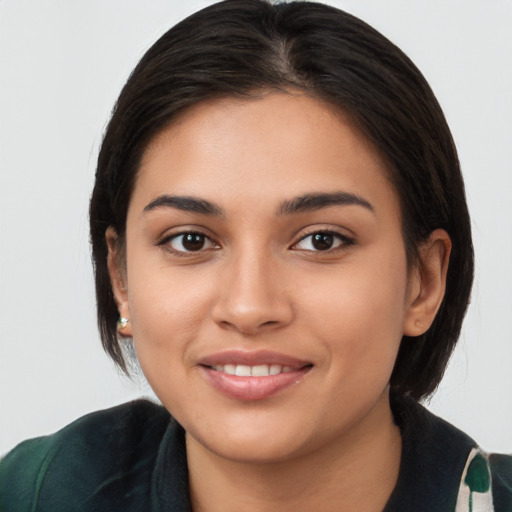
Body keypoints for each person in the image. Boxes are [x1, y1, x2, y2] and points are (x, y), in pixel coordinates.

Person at [0, 0, 510, 510]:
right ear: (121, 278)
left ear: (423, 281)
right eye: (190, 240)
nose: (249, 308)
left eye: (321, 240)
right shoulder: (34, 494)